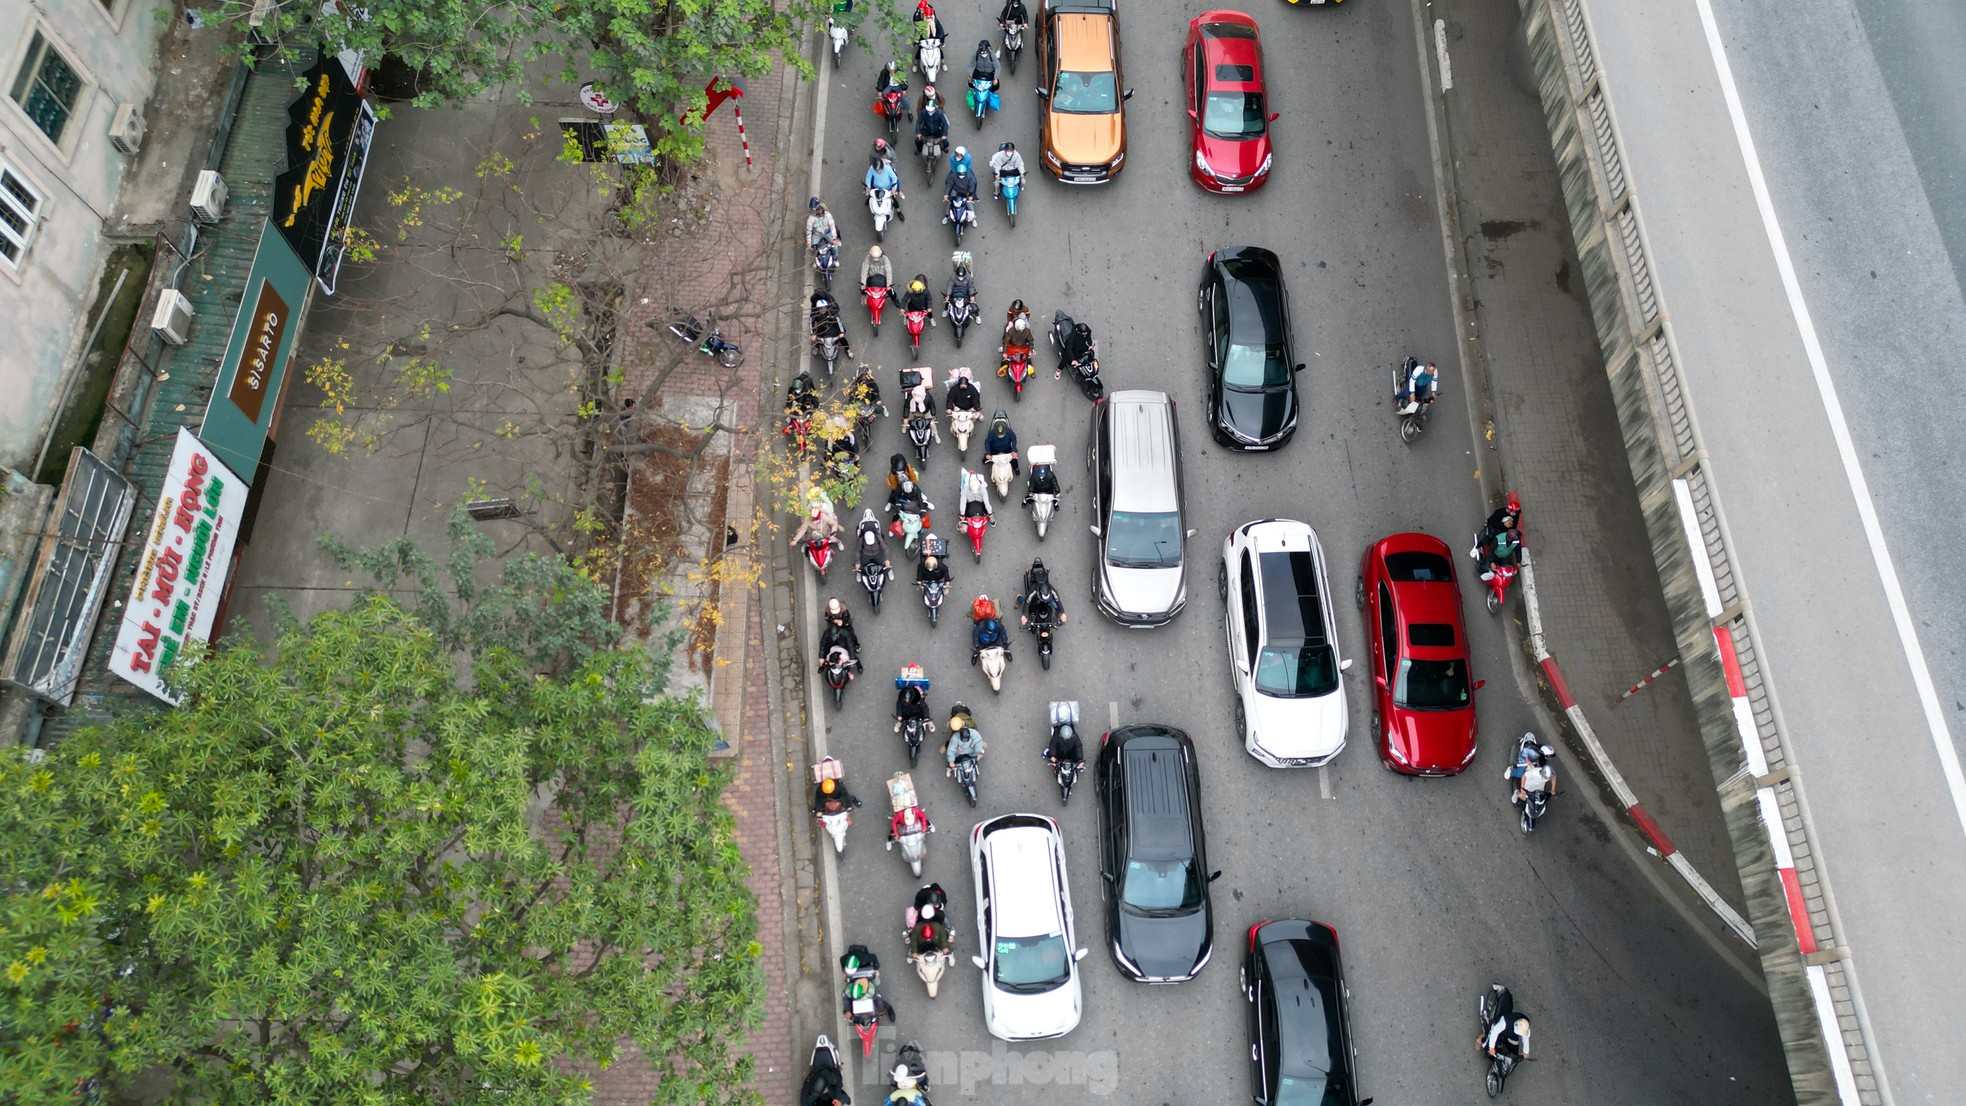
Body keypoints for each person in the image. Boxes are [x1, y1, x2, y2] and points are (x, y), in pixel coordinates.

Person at [1481, 985, 1532, 1064]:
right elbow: (1495, 1032)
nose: (1522, 1035)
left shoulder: (1525, 1025)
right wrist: (1491, 1047)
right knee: (1487, 1048)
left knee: (1514, 1054)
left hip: (1512, 1034)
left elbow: (1525, 1038)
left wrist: (1526, 1052)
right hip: (1501, 1029)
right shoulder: (1505, 1022)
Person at [1507, 738, 1557, 804]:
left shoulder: (1547, 768)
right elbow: (1525, 752)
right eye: (1549, 756)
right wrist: (1527, 760)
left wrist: (1553, 789)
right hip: (1526, 760)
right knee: (1520, 773)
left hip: (1535, 768)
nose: (1550, 758)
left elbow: (1553, 778)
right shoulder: (1534, 754)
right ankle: (1511, 772)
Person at [1019, 558, 1067, 626]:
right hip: (1035, 598)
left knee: (1056, 606)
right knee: (1027, 605)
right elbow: (1027, 602)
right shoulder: (1033, 590)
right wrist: (1024, 615)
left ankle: (1056, 614)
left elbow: (1057, 600)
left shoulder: (1052, 590)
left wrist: (1062, 613)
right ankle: (1018, 599)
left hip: (1047, 600)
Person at [810, 291, 854, 361]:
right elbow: (811, 321)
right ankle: (817, 347)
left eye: (824, 308)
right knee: (819, 338)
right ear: (818, 309)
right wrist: (813, 333)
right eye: (821, 308)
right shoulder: (815, 312)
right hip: (822, 325)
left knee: (842, 339)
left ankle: (847, 349)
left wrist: (841, 332)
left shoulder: (832, 311)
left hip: (833, 324)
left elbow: (838, 321)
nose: (823, 310)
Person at [943, 702, 985, 772]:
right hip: (961, 749)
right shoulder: (954, 734)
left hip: (968, 748)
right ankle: (949, 768)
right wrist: (951, 761)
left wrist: (979, 752)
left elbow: (976, 738)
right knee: (949, 748)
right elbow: (951, 744)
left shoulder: (971, 728)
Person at [865, 155, 906, 221]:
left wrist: (894, 188)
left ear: (882, 167)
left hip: (888, 189)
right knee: (871, 196)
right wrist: (868, 187)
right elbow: (868, 177)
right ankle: (869, 199)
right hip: (876, 187)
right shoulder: (872, 168)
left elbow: (894, 178)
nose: (878, 171)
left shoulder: (888, 169)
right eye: (876, 170)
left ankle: (898, 211)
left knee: (893, 200)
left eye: (880, 170)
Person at [914, 92, 951, 156]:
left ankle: (943, 148)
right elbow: (918, 122)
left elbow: (945, 124)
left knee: (946, 143)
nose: (929, 112)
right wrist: (918, 132)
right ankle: (919, 149)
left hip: (937, 130)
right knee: (917, 141)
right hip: (927, 129)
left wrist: (944, 135)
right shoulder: (924, 112)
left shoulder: (939, 113)